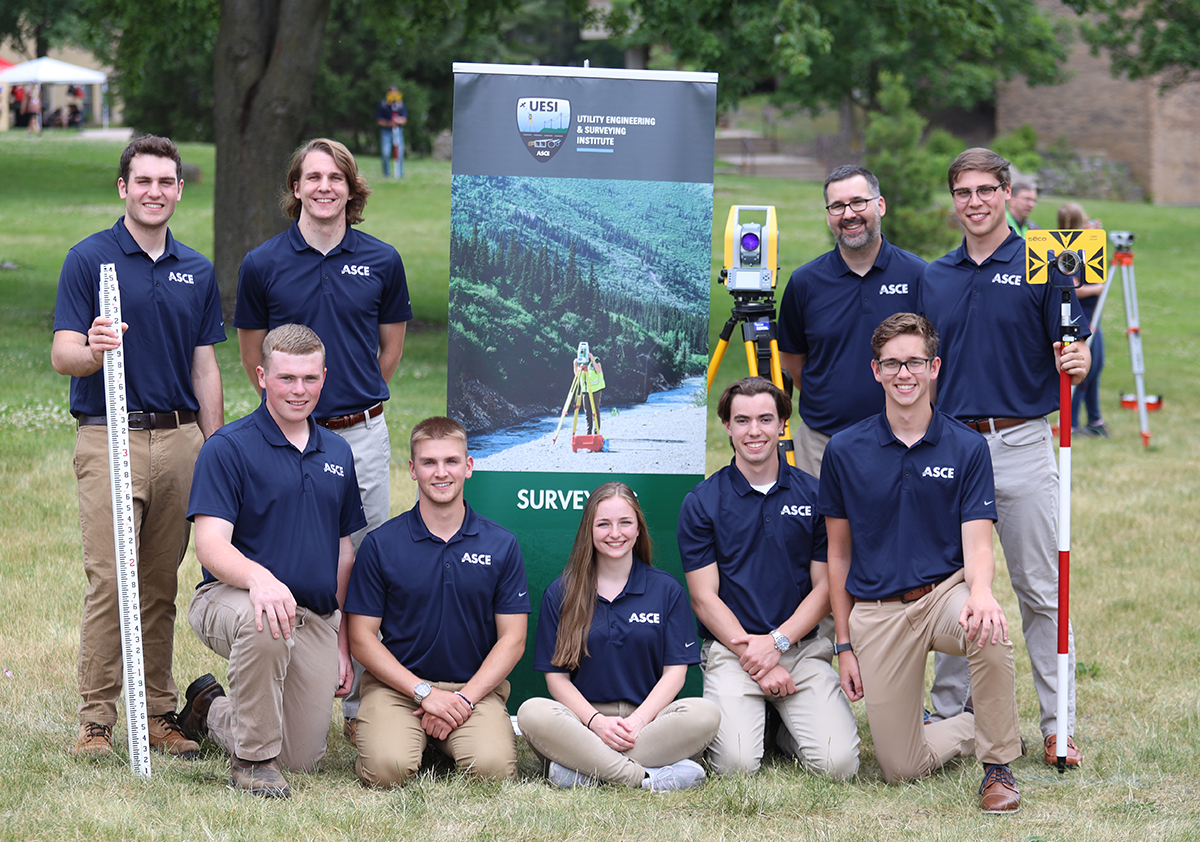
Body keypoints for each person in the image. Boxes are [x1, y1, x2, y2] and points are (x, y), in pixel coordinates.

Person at [51, 134, 225, 760]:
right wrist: (93, 349)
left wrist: (215, 446)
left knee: (157, 585)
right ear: (124, 187)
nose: (155, 192)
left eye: (166, 182)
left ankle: (157, 713)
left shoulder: (197, 269)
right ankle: (96, 720)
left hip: (180, 440)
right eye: (143, 181)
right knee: (110, 581)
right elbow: (63, 354)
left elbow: (205, 367)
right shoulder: (89, 259)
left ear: (179, 189)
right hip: (109, 435)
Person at [234, 137, 412, 736]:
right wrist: (298, 411)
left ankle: (360, 704)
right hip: (283, 437)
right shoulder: (262, 263)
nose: (324, 187)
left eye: (336, 177)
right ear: (296, 187)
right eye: (312, 177)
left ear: (351, 188)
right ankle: (288, 684)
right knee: (291, 557)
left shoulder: (383, 260)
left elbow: (388, 350)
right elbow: (252, 354)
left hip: (359, 435)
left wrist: (346, 403)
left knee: (364, 564)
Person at [920, 148, 1090, 766]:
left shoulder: (1044, 264)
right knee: (950, 586)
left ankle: (1057, 724)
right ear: (954, 201)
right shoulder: (934, 277)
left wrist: (1080, 360)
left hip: (1021, 441)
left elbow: (1073, 348)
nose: (974, 201)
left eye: (986, 190)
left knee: (1040, 589)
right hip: (954, 448)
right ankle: (950, 716)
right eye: (962, 192)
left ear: (1006, 192)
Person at [821, 313, 1022, 813]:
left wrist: (980, 593)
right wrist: (844, 644)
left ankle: (998, 767)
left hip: (944, 594)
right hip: (879, 610)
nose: (903, 374)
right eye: (892, 364)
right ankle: (976, 723)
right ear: (875, 371)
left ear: (934, 367)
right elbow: (838, 554)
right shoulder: (845, 450)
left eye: (914, 362)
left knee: (989, 631)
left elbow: (977, 544)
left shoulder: (967, 447)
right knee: (901, 768)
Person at [179, 324, 366, 798]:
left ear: (324, 377)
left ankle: (210, 709)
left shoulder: (338, 453)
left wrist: (342, 641)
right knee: (266, 622)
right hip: (234, 599)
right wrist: (260, 580)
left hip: (314, 617)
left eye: (309, 379)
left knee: (301, 759)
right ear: (262, 376)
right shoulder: (229, 447)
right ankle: (251, 763)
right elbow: (211, 545)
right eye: (286, 378)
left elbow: (343, 553)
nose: (298, 391)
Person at [676, 377, 859, 778]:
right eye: (742, 420)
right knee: (736, 766)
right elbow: (704, 599)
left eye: (764, 419)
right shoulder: (702, 502)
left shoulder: (814, 495)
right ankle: (763, 717)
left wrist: (778, 644)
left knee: (839, 766)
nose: (753, 431)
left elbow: (826, 588)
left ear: (782, 424)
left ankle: (780, 729)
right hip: (731, 650)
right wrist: (755, 656)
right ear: (726, 426)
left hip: (800, 647)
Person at [345, 416, 529, 787]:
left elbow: (514, 640)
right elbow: (361, 638)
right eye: (429, 462)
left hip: (473, 690)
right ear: (412, 469)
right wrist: (424, 693)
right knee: (386, 770)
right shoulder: (382, 544)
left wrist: (461, 700)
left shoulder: (501, 544)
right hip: (399, 688)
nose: (440, 473)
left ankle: (439, 736)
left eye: (451, 461)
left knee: (491, 771)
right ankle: (407, 736)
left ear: (469, 466)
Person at [518, 482, 721, 791]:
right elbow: (556, 680)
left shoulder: (666, 590)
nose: (615, 533)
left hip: (648, 722)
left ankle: (583, 772)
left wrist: (638, 722)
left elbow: (675, 674)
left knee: (705, 713)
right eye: (604, 524)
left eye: (625, 522)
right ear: (589, 529)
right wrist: (596, 723)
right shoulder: (561, 592)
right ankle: (645, 778)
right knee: (531, 712)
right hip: (583, 723)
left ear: (638, 529)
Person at [777, 165, 924, 477]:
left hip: (903, 443)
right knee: (818, 528)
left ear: (880, 205)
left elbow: (935, 359)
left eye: (859, 202)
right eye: (837, 206)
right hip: (821, 447)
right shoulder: (805, 282)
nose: (848, 214)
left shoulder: (919, 276)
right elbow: (791, 361)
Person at [1059, 202, 1109, 438]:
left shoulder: (1085, 247)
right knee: (1081, 371)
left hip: (1091, 318)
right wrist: (1099, 288)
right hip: (1083, 319)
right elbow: (1072, 286)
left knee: (1095, 367)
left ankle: (1094, 418)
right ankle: (1072, 423)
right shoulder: (1068, 251)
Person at [377, 86, 408, 179]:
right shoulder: (383, 105)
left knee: (400, 153)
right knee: (385, 153)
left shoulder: (400, 105)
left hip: (397, 131)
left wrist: (398, 121)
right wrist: (388, 123)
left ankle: (400, 174)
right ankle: (386, 174)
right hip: (386, 131)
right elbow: (379, 120)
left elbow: (404, 119)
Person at [572, 348, 605, 436]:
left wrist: (592, 359)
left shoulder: (595, 359)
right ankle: (589, 431)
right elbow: (577, 375)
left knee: (595, 410)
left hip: (596, 389)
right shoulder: (581, 363)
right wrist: (575, 365)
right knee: (587, 411)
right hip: (585, 390)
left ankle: (596, 431)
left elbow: (599, 370)